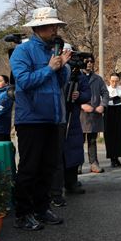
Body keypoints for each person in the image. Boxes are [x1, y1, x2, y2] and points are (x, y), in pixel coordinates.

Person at [10, 7, 70, 231]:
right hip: (31, 119)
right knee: (29, 168)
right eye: (51, 26)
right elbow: (23, 82)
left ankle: (41, 209)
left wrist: (62, 66)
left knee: (48, 167)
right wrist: (49, 68)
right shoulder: (22, 52)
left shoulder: (53, 51)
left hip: (53, 118)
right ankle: (23, 214)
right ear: (38, 28)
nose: (55, 29)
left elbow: (61, 82)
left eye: (56, 26)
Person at [51, 55, 90, 207]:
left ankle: (72, 182)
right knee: (57, 153)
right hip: (57, 115)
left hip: (73, 116)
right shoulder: (54, 69)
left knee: (73, 150)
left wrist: (79, 95)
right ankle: (55, 187)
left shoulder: (78, 74)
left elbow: (87, 93)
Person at [80, 55, 109, 174]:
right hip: (80, 115)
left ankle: (94, 163)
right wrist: (81, 105)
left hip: (95, 114)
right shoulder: (77, 77)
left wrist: (103, 105)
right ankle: (77, 164)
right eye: (87, 61)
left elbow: (105, 93)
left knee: (92, 141)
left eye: (91, 61)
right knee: (78, 142)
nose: (89, 64)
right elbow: (71, 93)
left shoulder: (98, 79)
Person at [105, 72, 121, 168]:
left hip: (119, 112)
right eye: (112, 81)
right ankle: (112, 158)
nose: (114, 83)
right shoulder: (106, 90)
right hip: (109, 112)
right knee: (110, 134)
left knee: (120, 134)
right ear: (109, 81)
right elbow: (102, 100)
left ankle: (117, 157)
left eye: (116, 81)